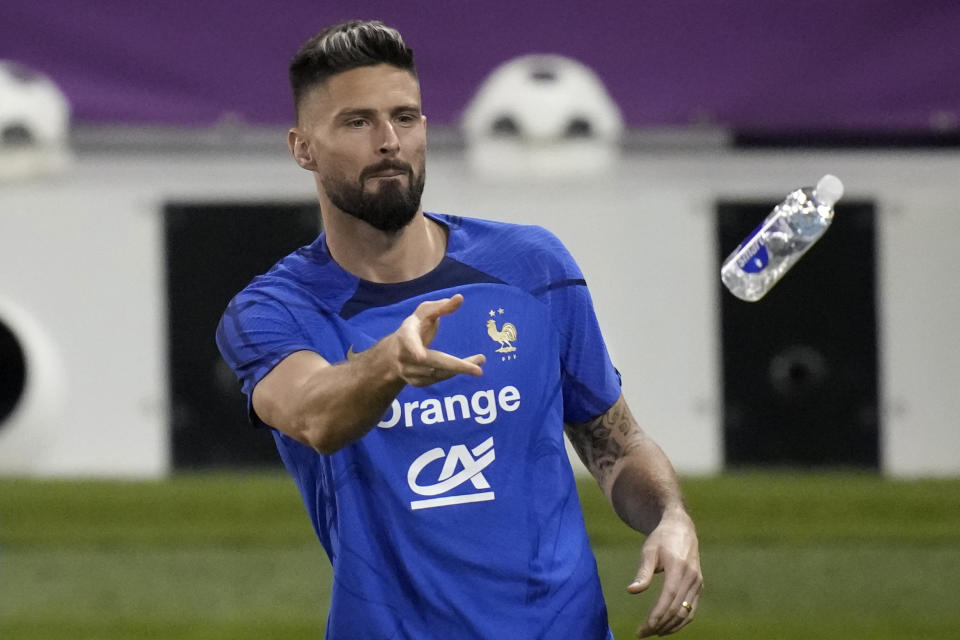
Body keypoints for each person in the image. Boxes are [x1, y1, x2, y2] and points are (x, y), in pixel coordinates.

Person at [216, 19, 702, 639]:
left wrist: (671, 517)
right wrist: (391, 362)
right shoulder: (274, 310)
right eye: (357, 122)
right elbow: (315, 416)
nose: (389, 141)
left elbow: (615, 444)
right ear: (302, 148)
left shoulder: (533, 267)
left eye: (406, 117)